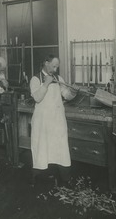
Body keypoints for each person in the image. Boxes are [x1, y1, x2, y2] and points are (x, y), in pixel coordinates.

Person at [29, 54, 78, 186]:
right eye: (54, 66)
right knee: (42, 148)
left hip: (57, 120)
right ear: (46, 62)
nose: (55, 69)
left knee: (60, 147)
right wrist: (46, 83)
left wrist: (73, 91)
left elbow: (66, 95)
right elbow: (37, 98)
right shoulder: (35, 79)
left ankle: (65, 179)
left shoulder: (58, 78)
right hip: (43, 121)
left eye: (57, 66)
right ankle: (39, 178)